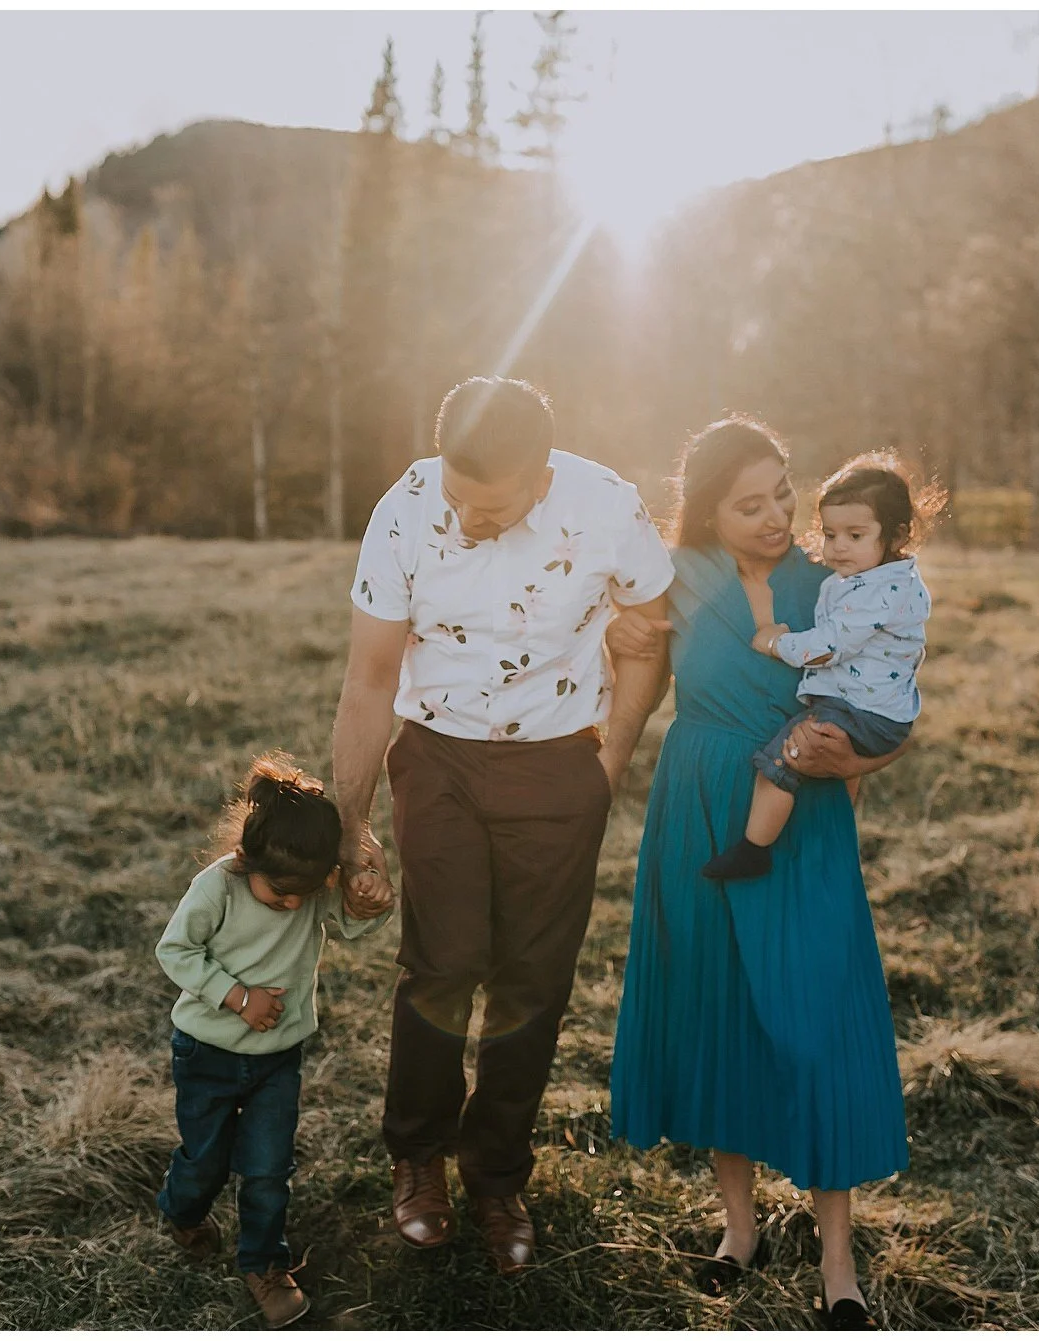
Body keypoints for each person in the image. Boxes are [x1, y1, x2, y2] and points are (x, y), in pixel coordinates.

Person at [329, 375, 674, 1274]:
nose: (469, 519)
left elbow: (649, 635)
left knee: (534, 981)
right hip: (437, 756)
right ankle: (418, 1157)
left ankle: (496, 1174)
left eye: (494, 506)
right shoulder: (405, 509)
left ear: (543, 473)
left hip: (560, 766)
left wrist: (608, 765)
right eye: (459, 499)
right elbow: (369, 679)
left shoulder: (607, 507)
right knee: (441, 962)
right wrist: (349, 823)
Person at [604, 416, 912, 1329]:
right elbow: (630, 679)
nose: (779, 515)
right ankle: (739, 1227)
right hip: (696, 801)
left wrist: (851, 766)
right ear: (706, 513)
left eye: (784, 491)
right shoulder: (672, 577)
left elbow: (892, 700)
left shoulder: (836, 582)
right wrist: (595, 773)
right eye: (751, 504)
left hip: (802, 811)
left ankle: (838, 1255)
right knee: (715, 1011)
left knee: (814, 1020)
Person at [153, 753, 393, 1329]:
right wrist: (238, 998)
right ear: (244, 859)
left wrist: (371, 899)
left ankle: (264, 1264)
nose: (292, 904)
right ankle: (182, 1210)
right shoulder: (217, 888)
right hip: (206, 1053)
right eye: (279, 894)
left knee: (267, 1169)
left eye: (303, 895)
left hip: (277, 1061)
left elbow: (352, 925)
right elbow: (174, 951)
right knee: (205, 1162)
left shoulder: (308, 885)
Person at [702, 453, 938, 882]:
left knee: (783, 757)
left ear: (897, 535)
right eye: (830, 534)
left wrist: (776, 642)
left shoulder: (881, 592)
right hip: (879, 708)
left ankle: (755, 849)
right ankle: (819, 833)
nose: (838, 547)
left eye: (854, 535)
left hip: (864, 712)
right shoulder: (877, 578)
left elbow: (830, 647)